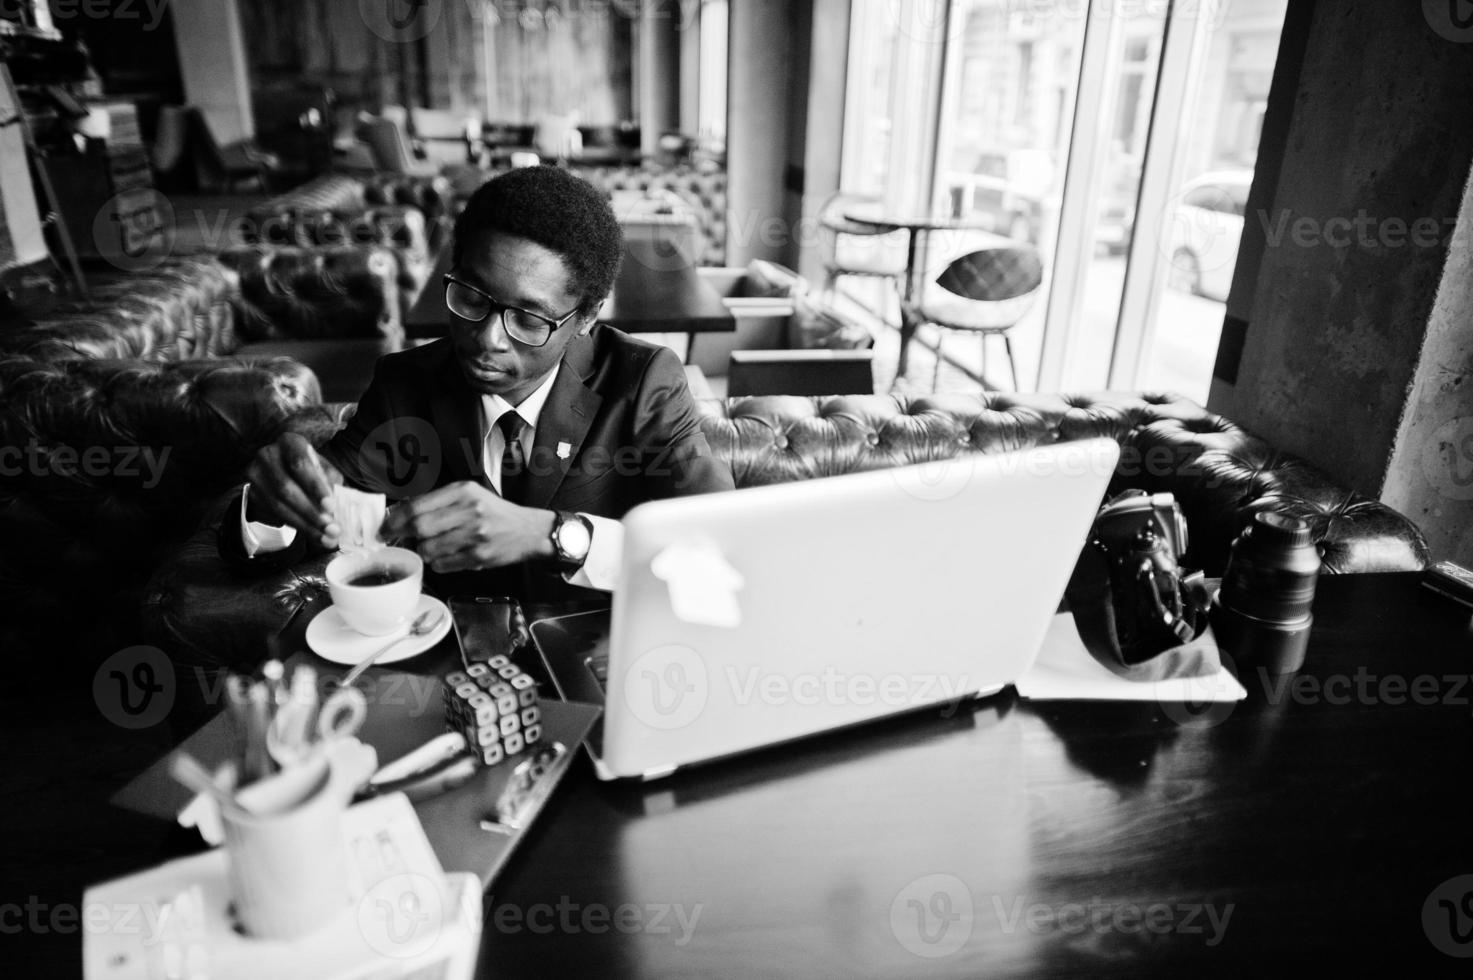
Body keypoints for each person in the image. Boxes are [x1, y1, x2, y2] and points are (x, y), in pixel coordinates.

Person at [224, 164, 734, 601]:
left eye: (530, 319)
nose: (487, 338)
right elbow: (312, 520)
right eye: (471, 296)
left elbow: (720, 551)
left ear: (585, 318)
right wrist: (272, 509)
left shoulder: (644, 382)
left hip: (592, 656)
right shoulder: (406, 384)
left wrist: (554, 534)